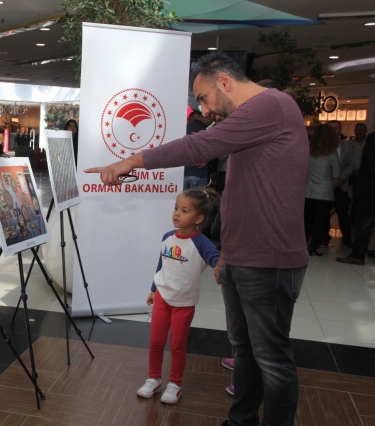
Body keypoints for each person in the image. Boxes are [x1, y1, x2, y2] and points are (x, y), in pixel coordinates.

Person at [86, 51, 309, 426]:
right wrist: (226, 252)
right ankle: (241, 421)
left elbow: (197, 147)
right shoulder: (252, 117)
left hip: (269, 259)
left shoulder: (270, 105)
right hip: (241, 256)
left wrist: (130, 160)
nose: (203, 110)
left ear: (225, 82)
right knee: (246, 351)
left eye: (203, 98)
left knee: (271, 358)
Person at [137, 188, 219, 404]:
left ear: (199, 218)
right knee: (155, 341)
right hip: (163, 298)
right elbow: (161, 265)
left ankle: (175, 384)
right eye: (176, 208)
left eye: (184, 210)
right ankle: (154, 379)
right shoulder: (167, 237)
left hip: (184, 302)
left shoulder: (201, 243)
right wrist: (154, 288)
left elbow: (217, 261)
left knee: (177, 345)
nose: (176, 214)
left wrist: (222, 268)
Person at [337, 123, 375, 266]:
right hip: (364, 184)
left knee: (364, 222)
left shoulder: (371, 139)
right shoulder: (352, 144)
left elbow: (371, 163)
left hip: (370, 188)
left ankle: (358, 255)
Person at [304, 124, 341, 256]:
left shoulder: (308, 151)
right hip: (324, 192)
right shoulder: (331, 153)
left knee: (307, 220)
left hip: (308, 191)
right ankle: (315, 246)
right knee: (320, 221)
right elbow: (337, 174)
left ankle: (303, 246)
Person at [322, 121, 355, 248]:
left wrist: (340, 178)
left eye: (335, 129)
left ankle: (347, 238)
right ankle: (324, 237)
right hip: (326, 184)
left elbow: (352, 165)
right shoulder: (322, 147)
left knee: (342, 213)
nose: (333, 131)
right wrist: (330, 180)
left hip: (341, 184)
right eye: (330, 129)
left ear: (340, 130)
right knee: (324, 213)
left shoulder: (346, 146)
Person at [183, 111, 215, 190]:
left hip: (184, 172)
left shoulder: (186, 127)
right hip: (198, 172)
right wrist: (207, 158)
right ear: (207, 117)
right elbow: (209, 149)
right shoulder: (203, 130)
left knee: (185, 200)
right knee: (197, 201)